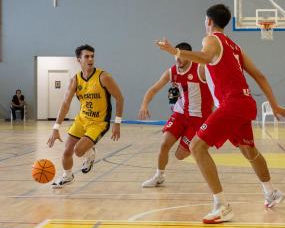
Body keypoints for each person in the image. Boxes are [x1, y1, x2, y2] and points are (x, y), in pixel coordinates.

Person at [156, 4, 285, 224]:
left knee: (196, 147)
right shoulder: (235, 47)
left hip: (232, 103)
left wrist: (176, 52)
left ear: (209, 21)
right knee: (250, 151)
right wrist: (274, 104)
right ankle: (271, 192)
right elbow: (260, 75)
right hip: (245, 103)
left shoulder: (211, 39)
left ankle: (222, 205)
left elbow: (207, 57)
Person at [47, 44, 124, 188]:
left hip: (99, 122)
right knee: (67, 150)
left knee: (78, 150)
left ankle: (90, 153)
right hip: (82, 119)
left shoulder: (104, 77)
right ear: (79, 60)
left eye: (92, 56)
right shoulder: (75, 80)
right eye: (87, 56)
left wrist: (117, 123)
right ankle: (67, 176)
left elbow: (120, 98)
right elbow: (65, 103)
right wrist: (55, 127)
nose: (90, 59)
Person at [139, 42, 213, 188]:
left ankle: (201, 144)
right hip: (180, 114)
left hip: (198, 118)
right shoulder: (172, 72)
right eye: (175, 55)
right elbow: (153, 89)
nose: (177, 59)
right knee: (164, 144)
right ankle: (159, 176)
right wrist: (144, 104)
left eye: (181, 55)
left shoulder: (201, 69)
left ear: (189, 56)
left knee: (180, 155)